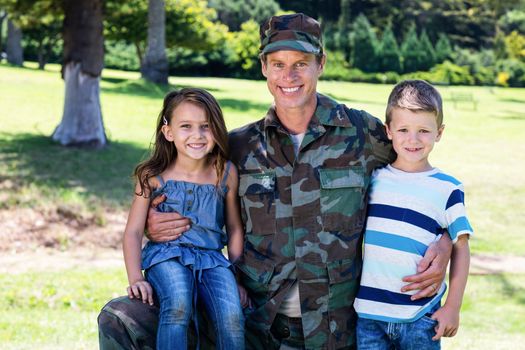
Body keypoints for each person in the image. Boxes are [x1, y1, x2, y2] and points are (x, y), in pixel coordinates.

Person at [98, 13, 452, 350]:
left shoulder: (363, 134)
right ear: (264, 67)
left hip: (336, 332)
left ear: (321, 63)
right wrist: (155, 224)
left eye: (301, 63)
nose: (290, 75)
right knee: (122, 317)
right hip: (255, 326)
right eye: (278, 64)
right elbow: (183, 184)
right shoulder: (238, 147)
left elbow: (422, 180)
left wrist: (447, 241)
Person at [120, 87, 246, 350]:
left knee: (232, 315)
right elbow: (132, 232)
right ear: (169, 132)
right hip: (166, 256)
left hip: (212, 260)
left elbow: (234, 228)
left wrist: (236, 275)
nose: (197, 136)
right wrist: (136, 278)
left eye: (205, 126)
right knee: (178, 302)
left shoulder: (225, 172)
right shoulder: (152, 176)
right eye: (186, 126)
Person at [353, 80, 472, 349]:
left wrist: (453, 306)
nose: (413, 139)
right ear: (389, 131)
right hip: (370, 315)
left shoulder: (447, 187)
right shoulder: (374, 179)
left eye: (424, 131)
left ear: (439, 133)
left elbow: (461, 247)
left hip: (421, 315)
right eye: (403, 129)